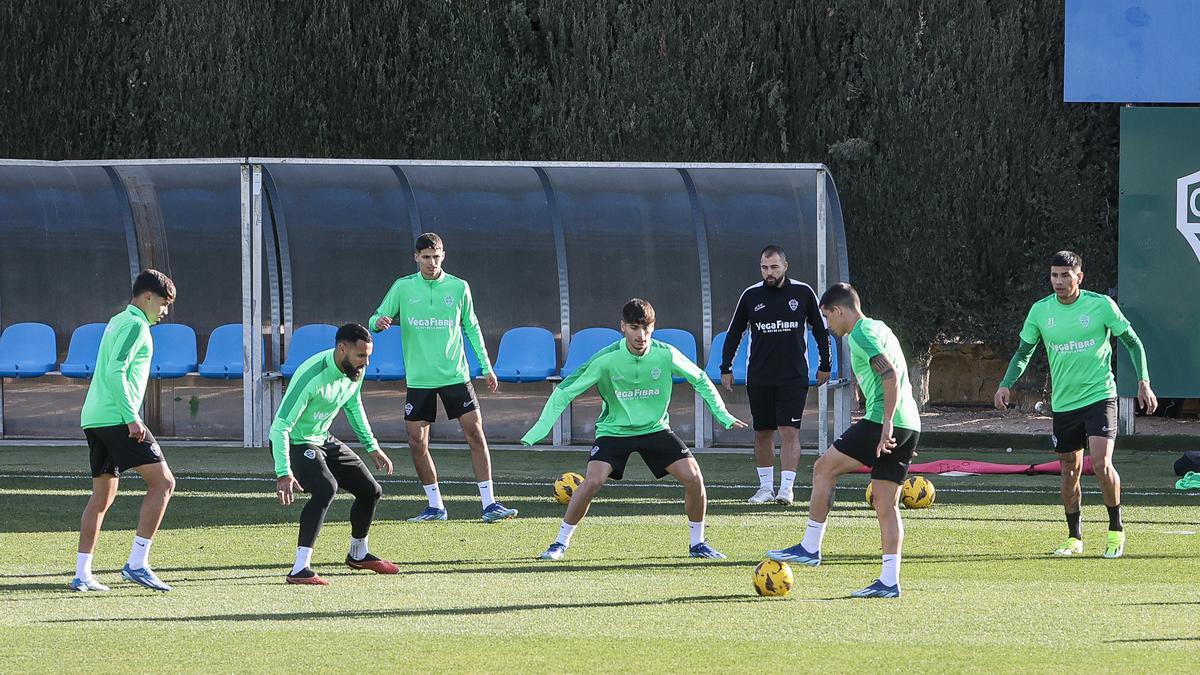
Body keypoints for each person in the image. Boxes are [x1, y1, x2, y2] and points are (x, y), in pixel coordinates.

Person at [522, 299, 748, 561]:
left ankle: (697, 544)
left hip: (655, 429)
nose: (641, 335)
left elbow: (699, 378)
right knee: (593, 480)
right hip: (614, 431)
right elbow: (566, 390)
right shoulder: (607, 360)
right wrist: (538, 430)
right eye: (634, 328)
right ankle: (559, 543)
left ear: (653, 327)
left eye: (646, 328)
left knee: (694, 477)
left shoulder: (665, 354)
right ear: (623, 327)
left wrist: (723, 414)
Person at [993, 250, 1156, 559]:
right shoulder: (1040, 311)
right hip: (1065, 404)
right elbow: (1023, 351)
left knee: (1101, 463)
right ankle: (1074, 537)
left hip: (1100, 397)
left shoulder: (1100, 306)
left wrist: (1143, 381)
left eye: (1065, 275)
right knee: (1070, 469)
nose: (1059, 281)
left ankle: (1115, 530)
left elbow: (1133, 342)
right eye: (1054, 275)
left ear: (1079, 277)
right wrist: (1005, 384)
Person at [766, 283, 920, 599]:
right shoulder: (881, 328)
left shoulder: (861, 333)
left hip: (883, 421)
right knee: (885, 502)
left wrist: (887, 423)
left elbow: (889, 375)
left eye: (827, 317)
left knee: (824, 468)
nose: (829, 326)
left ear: (838, 310)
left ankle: (810, 547)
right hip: (910, 422)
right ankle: (889, 582)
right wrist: (901, 429)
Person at [369, 232, 517, 523]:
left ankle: (489, 504)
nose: (431, 262)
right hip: (420, 379)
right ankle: (435, 506)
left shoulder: (459, 287)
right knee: (416, 442)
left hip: (455, 375)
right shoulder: (403, 287)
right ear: (416, 258)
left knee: (475, 433)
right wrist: (379, 323)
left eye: (436, 256)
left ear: (443, 256)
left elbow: (472, 328)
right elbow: (376, 317)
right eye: (425, 257)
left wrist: (487, 367)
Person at [71, 270, 179, 592]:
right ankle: (137, 563)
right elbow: (116, 370)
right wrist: (132, 417)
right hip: (117, 417)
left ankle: (82, 574)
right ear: (147, 297)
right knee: (164, 483)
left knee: (102, 497)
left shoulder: (118, 320)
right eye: (162, 303)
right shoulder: (135, 325)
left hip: (94, 417)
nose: (165, 311)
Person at [271, 323, 398, 585]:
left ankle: (358, 555)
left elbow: (353, 406)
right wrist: (284, 472)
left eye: (368, 356)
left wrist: (371, 446)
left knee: (371, 490)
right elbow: (280, 426)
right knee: (326, 488)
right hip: (298, 441)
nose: (366, 362)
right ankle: (299, 568)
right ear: (342, 349)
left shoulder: (356, 371)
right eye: (361, 356)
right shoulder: (311, 374)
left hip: (323, 438)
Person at [721, 245, 831, 505]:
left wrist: (825, 364)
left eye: (773, 267)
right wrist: (726, 367)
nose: (769, 273)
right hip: (759, 377)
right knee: (763, 432)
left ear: (785, 266)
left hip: (793, 377)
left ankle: (787, 489)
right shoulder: (750, 296)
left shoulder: (803, 293)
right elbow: (734, 333)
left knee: (789, 430)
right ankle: (765, 488)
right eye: (764, 267)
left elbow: (820, 330)